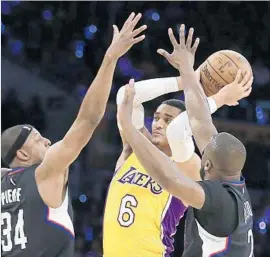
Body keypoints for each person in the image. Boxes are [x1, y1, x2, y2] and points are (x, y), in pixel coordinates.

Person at [1, 12, 146, 257]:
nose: (47, 140)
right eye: (37, 138)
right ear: (23, 153)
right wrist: (110, 58)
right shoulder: (46, 172)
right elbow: (88, 120)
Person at [117, 24, 254, 257]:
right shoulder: (138, 148)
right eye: (157, 117)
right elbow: (127, 96)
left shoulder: (201, 179)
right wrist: (187, 76)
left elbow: (173, 160)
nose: (159, 123)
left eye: (167, 119)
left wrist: (130, 131)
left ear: (206, 164)